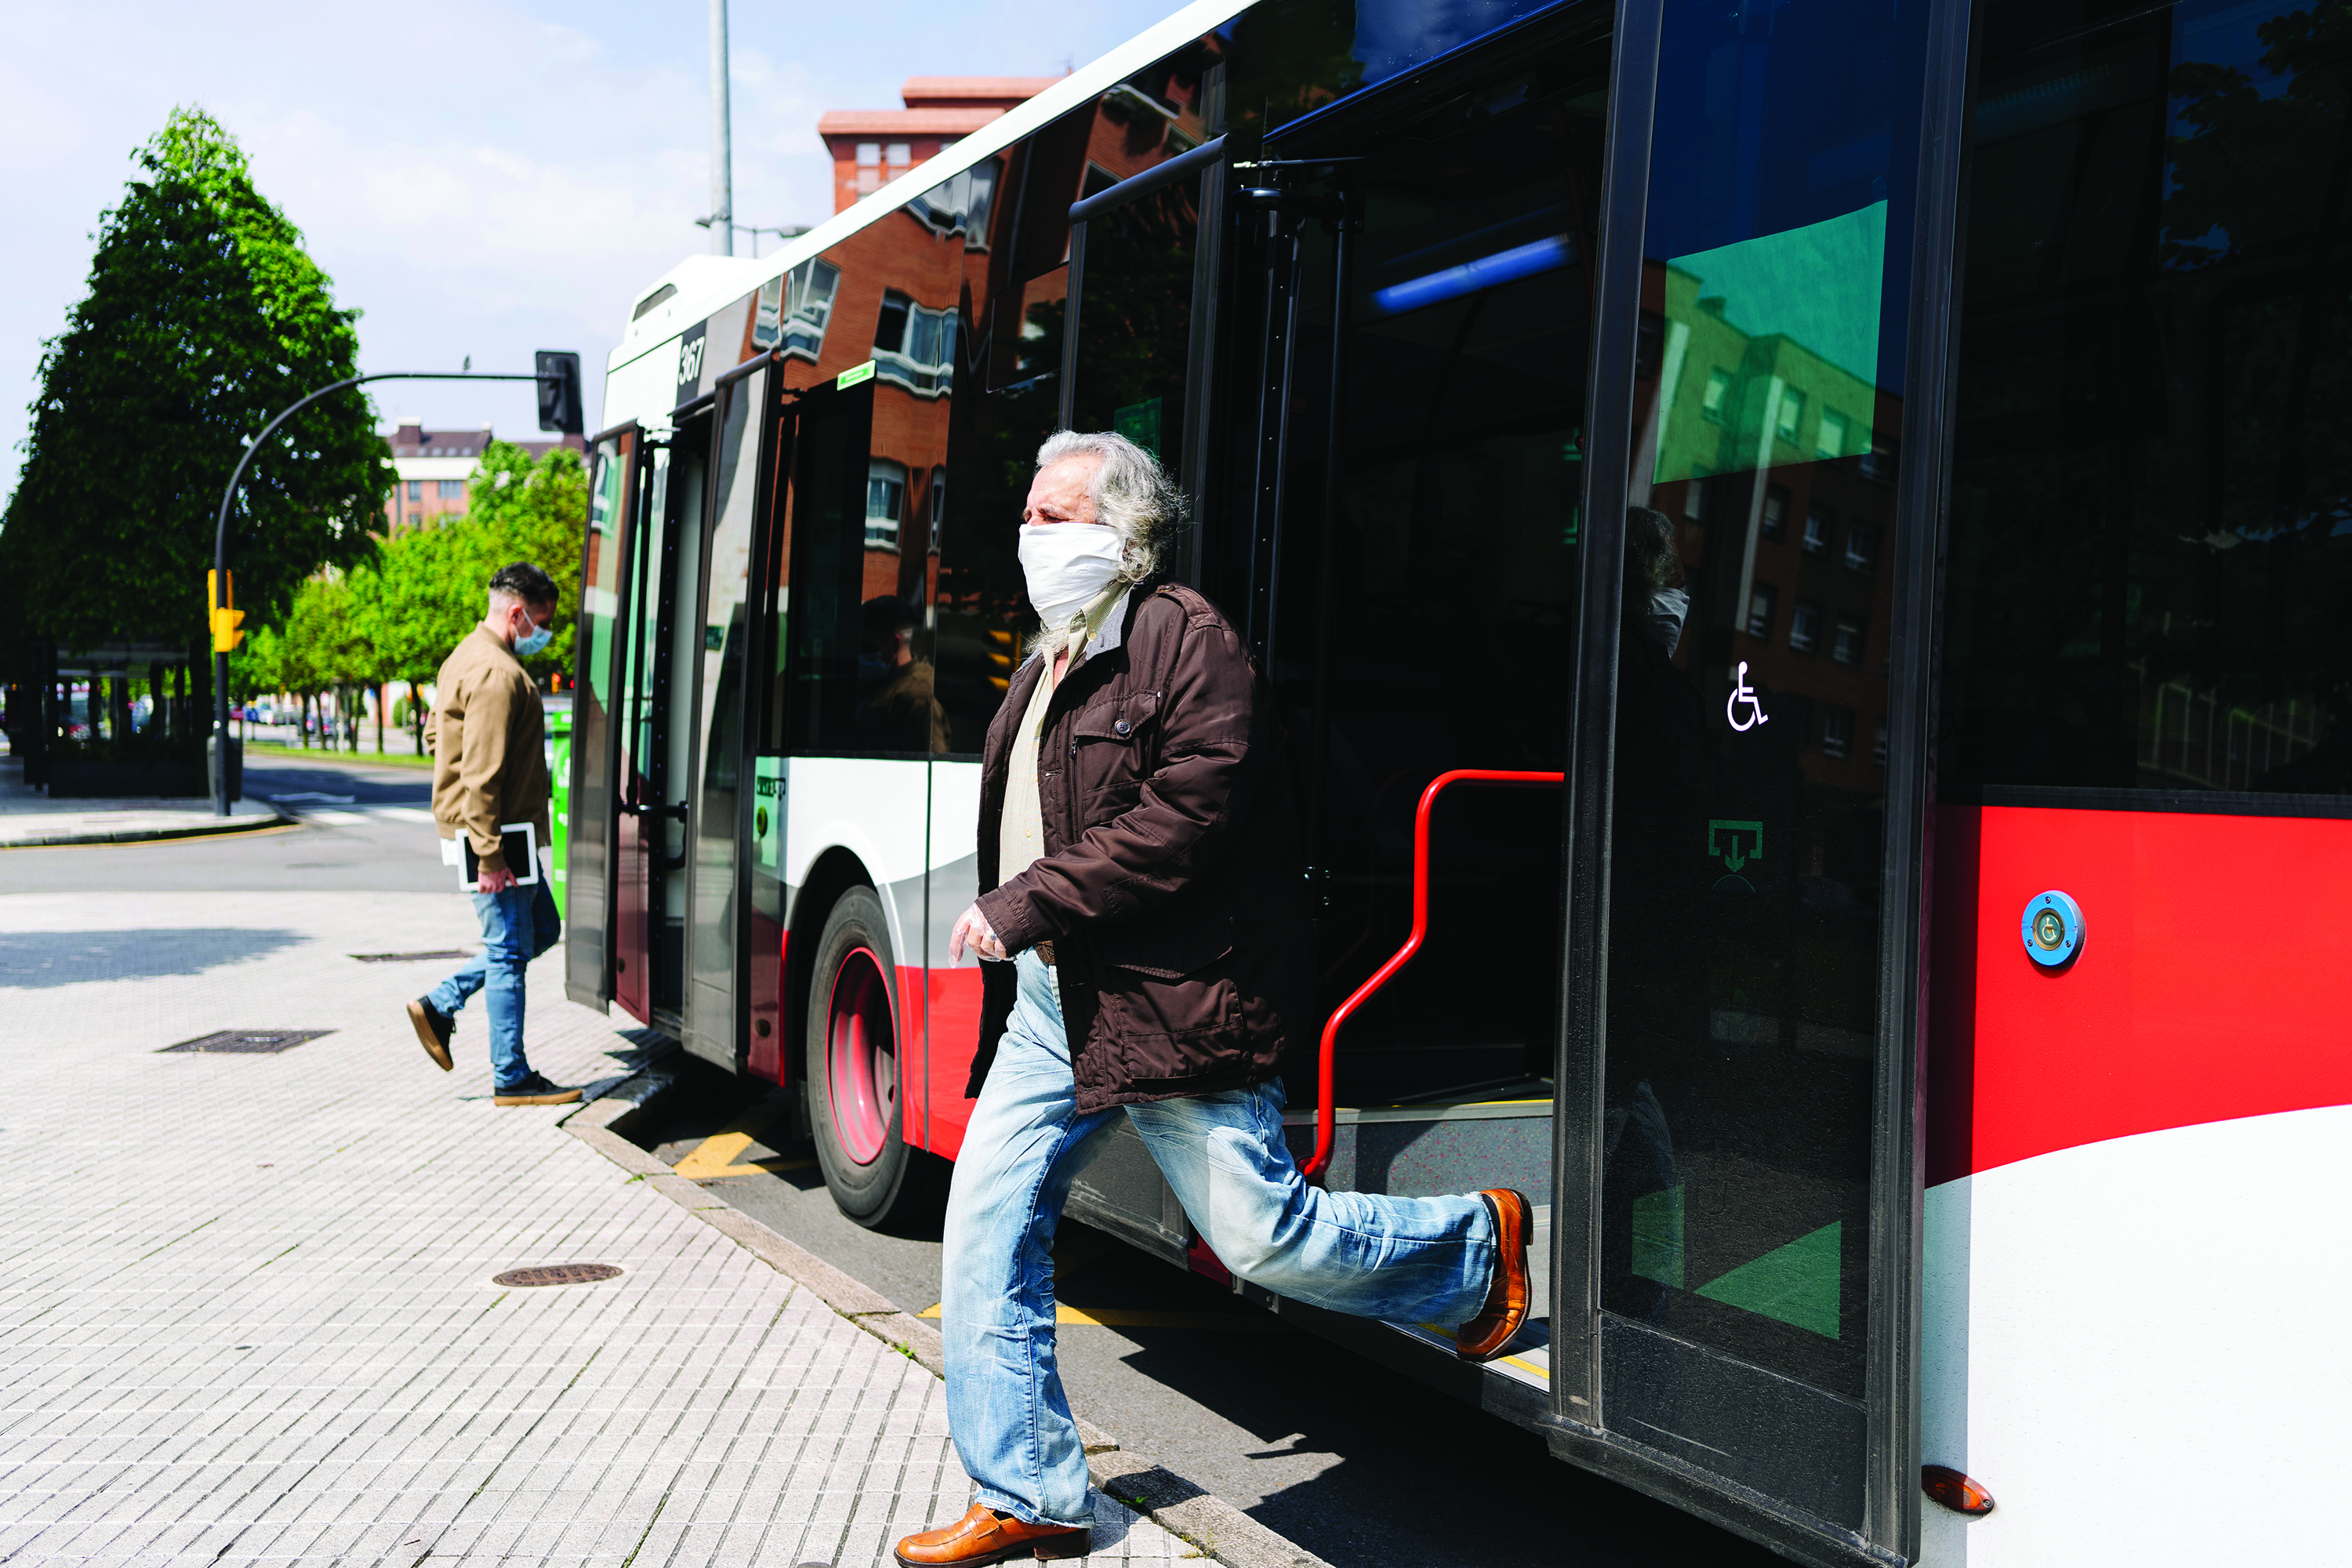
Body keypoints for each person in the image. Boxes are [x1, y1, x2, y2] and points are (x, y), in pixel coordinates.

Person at [891, 434, 1532, 1568]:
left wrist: (1028, 900)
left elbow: (1186, 819)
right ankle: (1032, 1492)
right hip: (1054, 1007)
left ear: (1124, 530)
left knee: (1261, 1237)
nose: (1031, 535)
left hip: (1170, 1004)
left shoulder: (1188, 644)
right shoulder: (1053, 651)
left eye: (1056, 515)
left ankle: (1473, 1248)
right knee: (984, 1236)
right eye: (1029, 516)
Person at [405, 561, 579, 1107]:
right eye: (541, 622)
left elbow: (438, 735)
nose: (543, 635)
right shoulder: (498, 674)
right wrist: (489, 856)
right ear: (517, 612)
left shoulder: (466, 655)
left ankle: (441, 1002)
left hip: (504, 833)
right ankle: (512, 1077)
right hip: (497, 837)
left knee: (542, 931)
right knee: (507, 951)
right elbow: (480, 774)